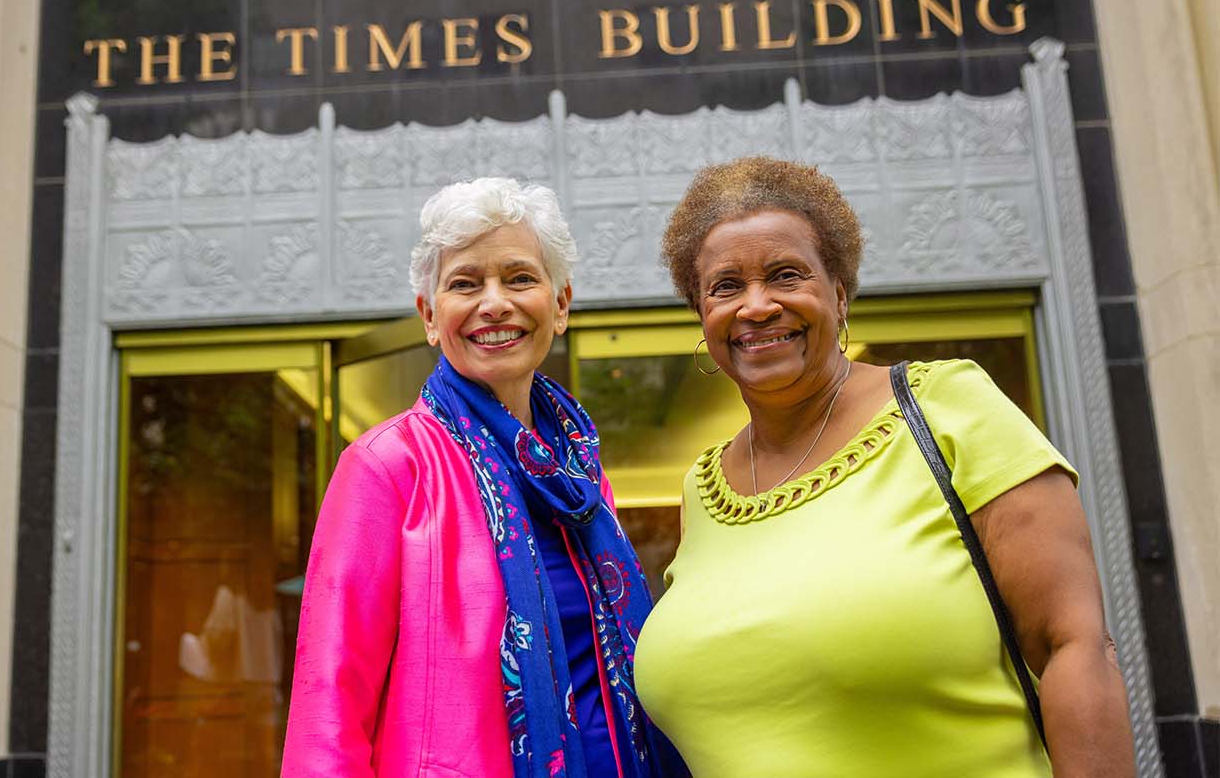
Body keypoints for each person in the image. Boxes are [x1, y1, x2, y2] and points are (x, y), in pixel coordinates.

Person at [634, 157, 1135, 777]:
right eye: (726, 286)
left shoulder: (947, 408)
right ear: (701, 314)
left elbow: (1075, 649)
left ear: (839, 295)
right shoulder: (701, 489)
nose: (757, 306)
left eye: (786, 276)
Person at [281, 178, 676, 778]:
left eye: (519, 278)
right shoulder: (387, 465)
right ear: (430, 316)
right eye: (465, 283)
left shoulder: (577, 471)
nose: (494, 303)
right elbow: (329, 701)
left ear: (561, 303)